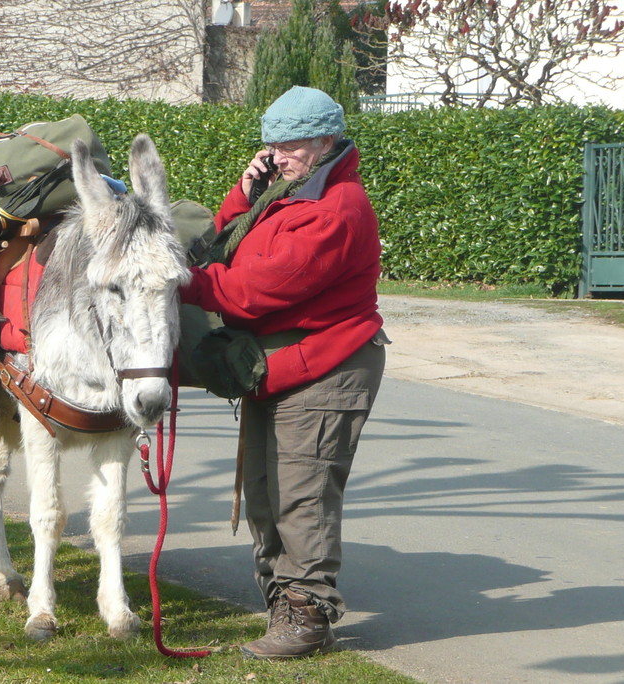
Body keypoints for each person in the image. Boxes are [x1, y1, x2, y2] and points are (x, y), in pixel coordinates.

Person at [180, 86, 388, 659]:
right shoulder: (289, 190)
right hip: (281, 365)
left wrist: (182, 283)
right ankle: (283, 605)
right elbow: (226, 249)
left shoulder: (335, 208)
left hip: (329, 366)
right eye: (271, 145)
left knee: (303, 493)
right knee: (266, 493)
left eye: (291, 145)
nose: (279, 155)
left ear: (326, 141)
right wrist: (246, 193)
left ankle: (308, 618)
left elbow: (253, 291)